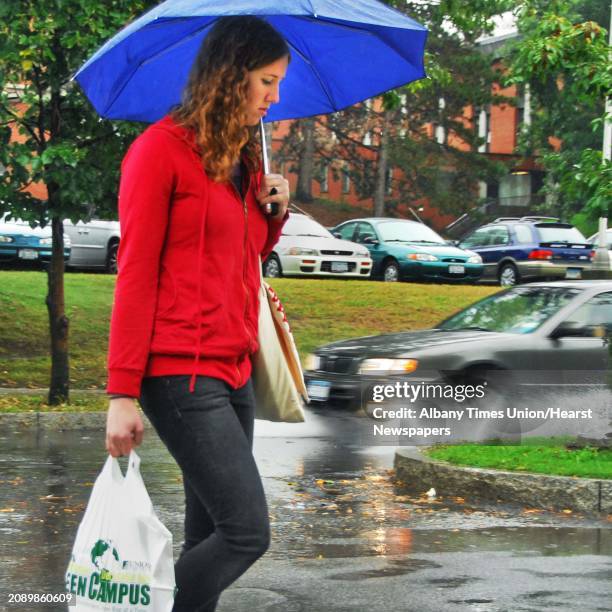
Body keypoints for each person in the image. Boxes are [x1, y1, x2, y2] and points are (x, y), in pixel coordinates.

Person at [104, 16, 291, 612]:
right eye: (266, 81)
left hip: (232, 368)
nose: (274, 97)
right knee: (245, 532)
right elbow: (134, 275)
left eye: (279, 83)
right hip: (178, 372)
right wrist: (121, 393)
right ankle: (148, 605)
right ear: (229, 77)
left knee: (208, 537)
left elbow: (246, 258)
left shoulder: (240, 162)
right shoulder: (160, 152)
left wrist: (273, 212)